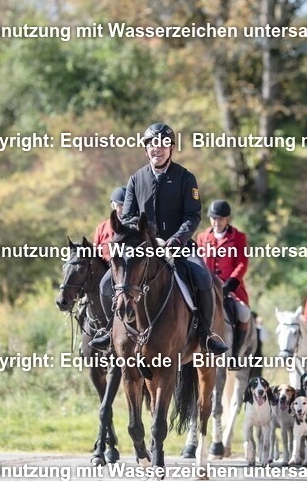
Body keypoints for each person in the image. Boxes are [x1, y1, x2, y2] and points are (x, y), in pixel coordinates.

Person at [90, 122, 228, 354]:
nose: (158, 149)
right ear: (146, 150)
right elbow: (129, 216)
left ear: (171, 149)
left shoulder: (186, 178)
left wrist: (174, 241)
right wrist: (142, 240)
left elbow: (192, 216)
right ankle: (108, 329)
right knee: (106, 283)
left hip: (178, 245)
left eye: (164, 145)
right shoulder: (136, 179)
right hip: (144, 248)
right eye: (153, 145)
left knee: (203, 277)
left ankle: (206, 334)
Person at [197, 199, 251, 355]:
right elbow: (199, 261)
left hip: (231, 287)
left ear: (227, 219)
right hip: (206, 285)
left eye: (220, 218)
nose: (216, 222)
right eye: (214, 218)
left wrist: (229, 285)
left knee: (243, 313)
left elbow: (242, 263)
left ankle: (236, 353)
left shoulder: (239, 237)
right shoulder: (202, 237)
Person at [93, 187, 126, 262]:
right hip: (106, 268)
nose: (124, 209)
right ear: (113, 206)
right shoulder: (101, 228)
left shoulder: (134, 227)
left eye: (127, 205)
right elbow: (95, 255)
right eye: (120, 205)